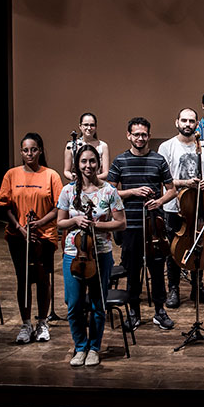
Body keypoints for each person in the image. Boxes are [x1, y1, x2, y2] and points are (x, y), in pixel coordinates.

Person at [56, 145, 126, 366]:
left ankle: (94, 347)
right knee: (74, 303)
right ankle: (80, 347)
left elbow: (121, 223)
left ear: (99, 163)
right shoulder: (68, 191)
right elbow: (60, 222)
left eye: (92, 161)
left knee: (98, 303)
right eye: (84, 161)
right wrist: (76, 221)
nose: (88, 166)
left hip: (100, 253)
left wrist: (99, 226)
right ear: (77, 164)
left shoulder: (109, 191)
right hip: (73, 253)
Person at [106, 117, 177, 331]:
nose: (140, 138)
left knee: (157, 271)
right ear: (129, 135)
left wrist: (159, 201)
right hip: (130, 226)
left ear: (149, 135)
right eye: (136, 134)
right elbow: (108, 193)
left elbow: (172, 189)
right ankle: (134, 312)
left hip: (154, 226)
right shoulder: (120, 161)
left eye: (144, 134)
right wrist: (132, 192)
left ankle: (159, 311)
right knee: (133, 271)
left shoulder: (159, 160)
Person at [0, 132, 62, 344]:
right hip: (18, 236)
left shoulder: (51, 175)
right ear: (21, 152)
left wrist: (40, 223)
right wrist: (20, 228)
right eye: (25, 150)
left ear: (40, 150)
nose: (29, 153)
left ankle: (42, 322)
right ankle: (25, 324)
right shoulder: (11, 174)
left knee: (43, 280)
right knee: (23, 280)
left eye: (33, 149)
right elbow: (4, 207)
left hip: (44, 236)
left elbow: (59, 206)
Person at [159, 108, 204, 307]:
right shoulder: (166, 147)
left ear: (197, 124)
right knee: (174, 249)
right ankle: (173, 288)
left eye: (191, 121)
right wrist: (185, 183)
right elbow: (164, 180)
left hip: (199, 206)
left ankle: (197, 287)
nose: (187, 124)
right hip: (174, 207)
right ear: (177, 122)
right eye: (183, 120)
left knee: (199, 246)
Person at [63, 112, 109, 181]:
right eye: (86, 125)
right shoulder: (71, 145)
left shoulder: (103, 146)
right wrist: (72, 177)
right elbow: (66, 171)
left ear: (96, 127)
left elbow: (105, 173)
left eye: (92, 125)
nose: (89, 128)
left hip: (96, 185)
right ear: (80, 126)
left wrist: (90, 178)